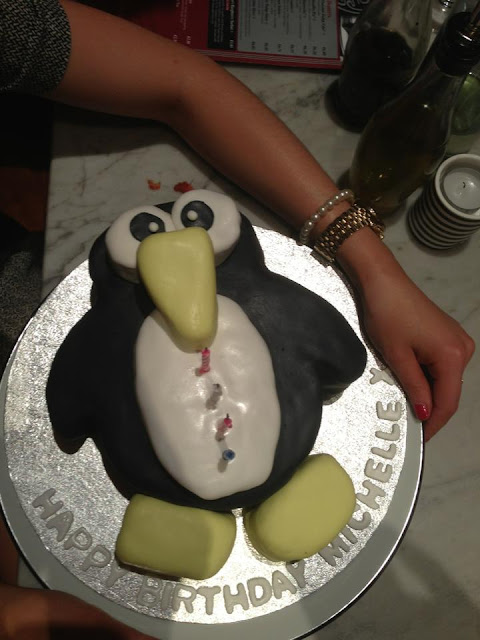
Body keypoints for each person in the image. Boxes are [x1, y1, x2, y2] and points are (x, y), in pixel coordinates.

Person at [0, 0, 475, 637]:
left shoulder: (268, 297)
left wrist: (375, 267)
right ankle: (184, 525)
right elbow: (70, 395)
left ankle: (284, 500)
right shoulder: (104, 327)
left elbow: (184, 85)